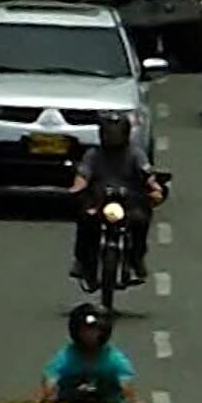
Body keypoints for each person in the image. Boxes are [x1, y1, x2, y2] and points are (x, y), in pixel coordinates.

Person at [67, 113, 164, 283]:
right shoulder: (93, 154)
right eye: (109, 134)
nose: (112, 138)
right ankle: (82, 261)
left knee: (140, 221)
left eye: (116, 134)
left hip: (128, 202)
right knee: (86, 219)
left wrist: (155, 189)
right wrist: (76, 189)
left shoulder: (136, 154)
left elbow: (147, 174)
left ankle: (136, 258)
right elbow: (83, 175)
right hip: (99, 201)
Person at [38, 304, 153, 403]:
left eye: (94, 331)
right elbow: (48, 386)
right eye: (85, 331)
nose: (90, 336)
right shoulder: (65, 358)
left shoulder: (115, 359)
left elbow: (127, 389)